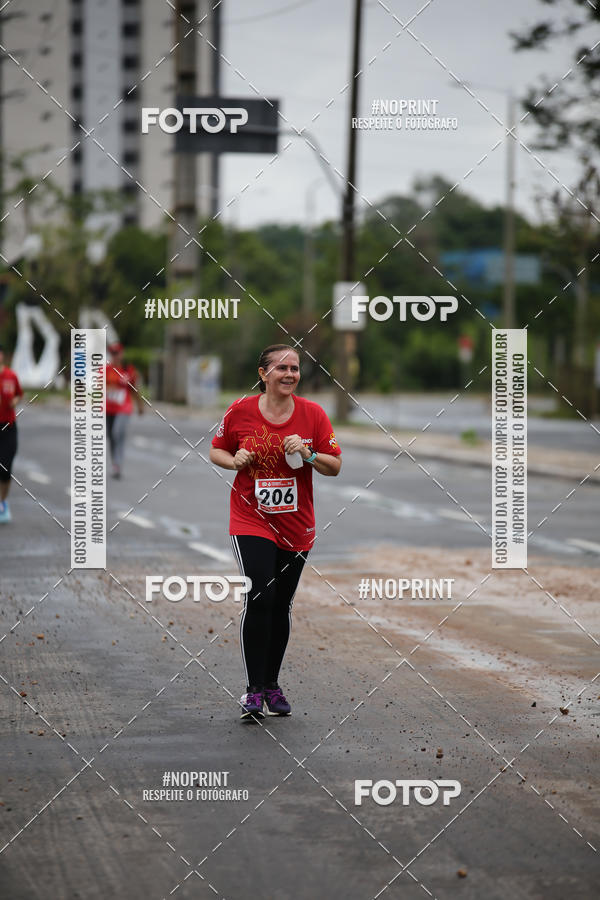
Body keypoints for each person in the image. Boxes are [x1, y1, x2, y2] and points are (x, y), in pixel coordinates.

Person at [210, 344, 342, 720]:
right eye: (281, 367)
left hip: (296, 524)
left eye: (295, 368)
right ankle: (253, 691)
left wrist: (310, 454)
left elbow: (335, 466)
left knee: (281, 603)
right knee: (261, 596)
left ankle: (272, 683)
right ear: (263, 373)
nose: (289, 374)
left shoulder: (313, 415)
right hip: (251, 517)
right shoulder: (240, 410)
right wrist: (234, 460)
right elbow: (216, 450)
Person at [105, 342, 143, 478]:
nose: (114, 356)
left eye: (117, 353)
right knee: (111, 436)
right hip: (109, 409)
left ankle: (117, 464)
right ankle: (115, 461)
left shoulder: (129, 370)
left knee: (117, 433)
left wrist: (140, 406)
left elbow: (135, 390)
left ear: (121, 354)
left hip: (124, 408)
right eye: (112, 353)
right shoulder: (106, 370)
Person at [0, 344, 23, 523]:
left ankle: (3, 502)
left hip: (8, 426)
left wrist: (13, 401)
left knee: (6, 466)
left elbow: (19, 394)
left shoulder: (10, 376)